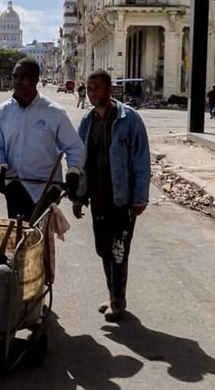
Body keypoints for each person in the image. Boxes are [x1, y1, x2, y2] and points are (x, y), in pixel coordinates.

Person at [74, 69, 151, 322]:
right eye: (89, 88)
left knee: (119, 251)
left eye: (97, 88)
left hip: (123, 199)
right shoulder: (87, 121)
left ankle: (118, 301)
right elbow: (80, 162)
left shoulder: (130, 119)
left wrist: (140, 198)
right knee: (103, 249)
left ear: (110, 90)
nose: (93, 92)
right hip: (98, 199)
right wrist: (78, 196)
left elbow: (141, 161)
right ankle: (111, 295)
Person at [0, 58, 87, 220]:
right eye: (15, 76)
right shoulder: (3, 111)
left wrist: (74, 171)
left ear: (35, 80)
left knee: (40, 240)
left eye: (25, 77)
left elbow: (74, 147)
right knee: (17, 238)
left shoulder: (54, 112)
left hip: (46, 189)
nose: (18, 81)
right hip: (14, 186)